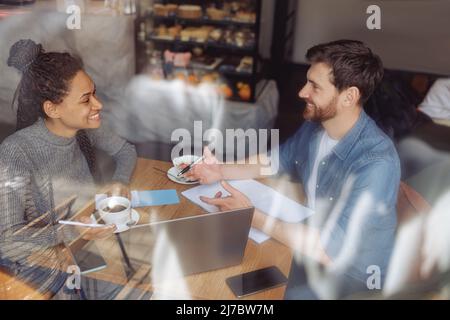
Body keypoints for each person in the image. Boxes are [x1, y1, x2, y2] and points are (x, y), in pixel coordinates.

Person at [186, 40, 401, 299]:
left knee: (255, 292)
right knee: (224, 269)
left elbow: (329, 249)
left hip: (352, 275)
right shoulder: (316, 127)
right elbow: (273, 161)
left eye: (315, 86)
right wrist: (220, 170)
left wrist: (251, 215)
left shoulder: (376, 163)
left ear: (349, 96)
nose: (302, 92)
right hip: (310, 240)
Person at [0, 39, 137, 299]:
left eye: (94, 94)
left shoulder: (82, 128)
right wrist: (74, 230)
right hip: (52, 272)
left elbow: (126, 151)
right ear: (52, 108)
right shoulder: (15, 152)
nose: (98, 105)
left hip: (89, 247)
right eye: (86, 100)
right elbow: (8, 243)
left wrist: (119, 182)